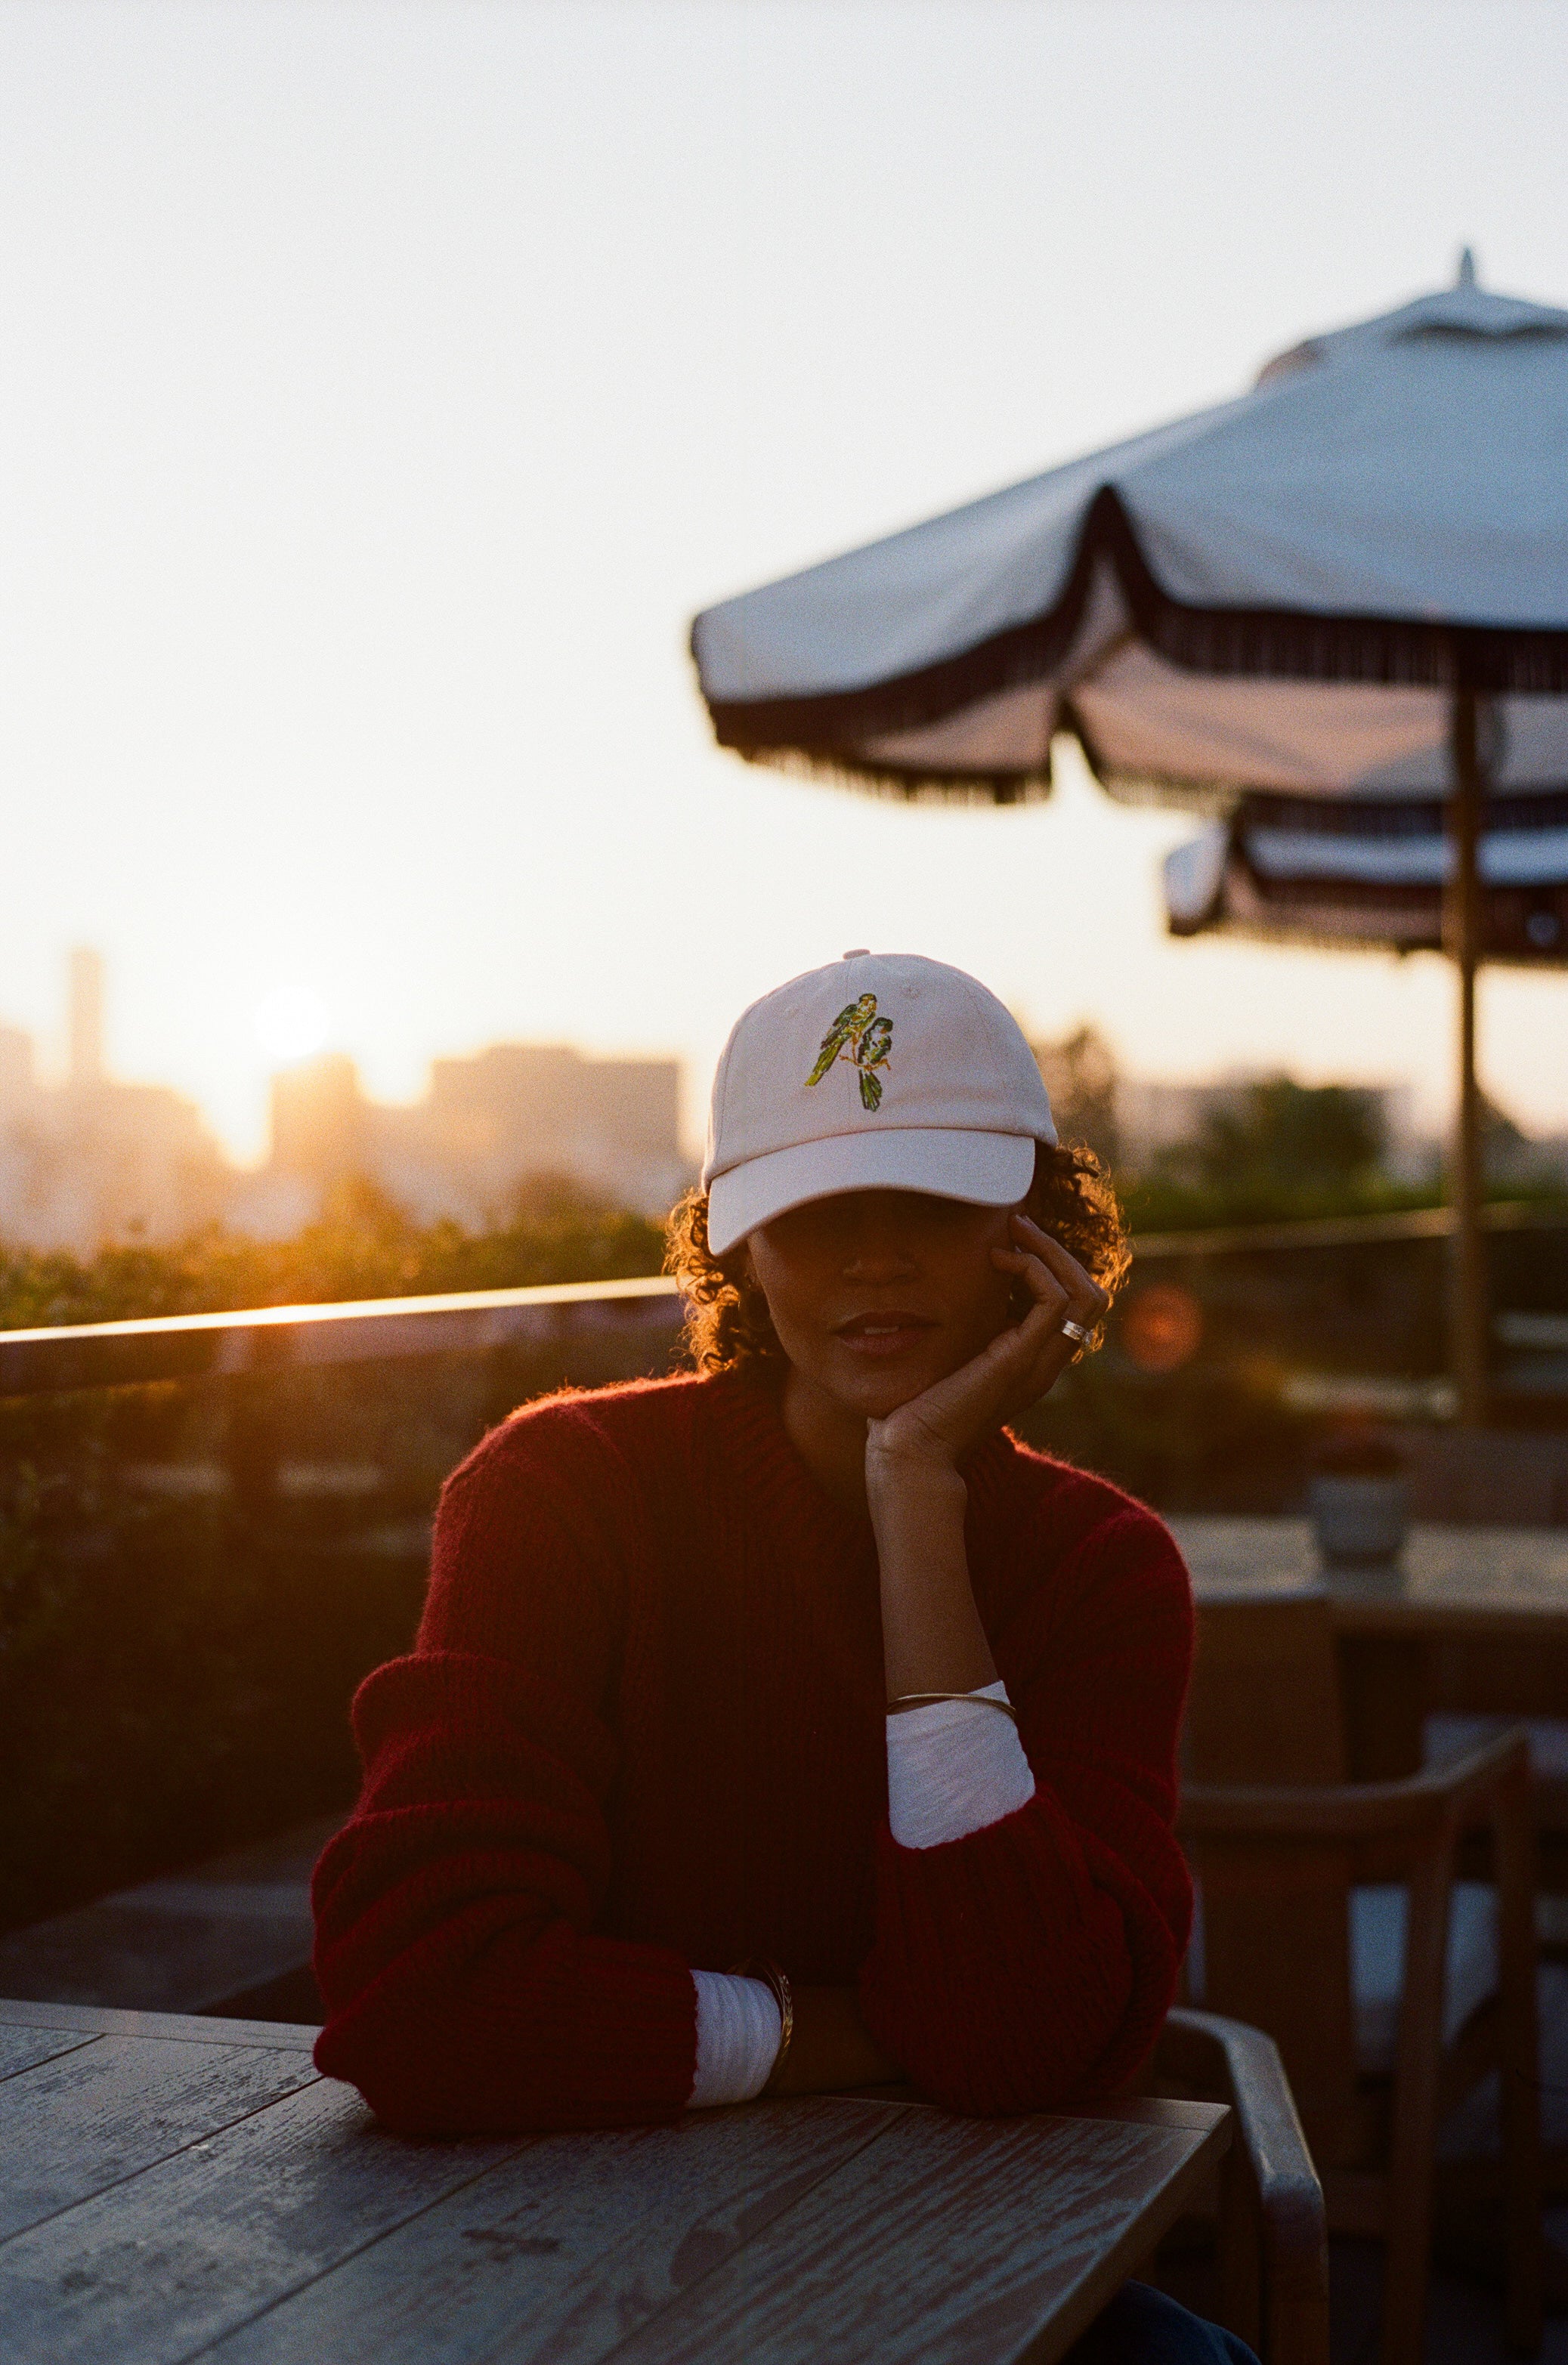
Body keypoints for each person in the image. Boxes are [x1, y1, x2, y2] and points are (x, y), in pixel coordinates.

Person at [312, 951, 1250, 2363]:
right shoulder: (562, 1491)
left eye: (931, 1198)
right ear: (738, 1245)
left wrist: (920, 1501)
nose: (875, 1253)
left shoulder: (1098, 1567)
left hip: (966, 2255)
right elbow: (423, 2005)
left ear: (1031, 1228)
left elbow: (1024, 2039)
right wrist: (857, 2030)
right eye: (814, 1210)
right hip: (558, 2251)